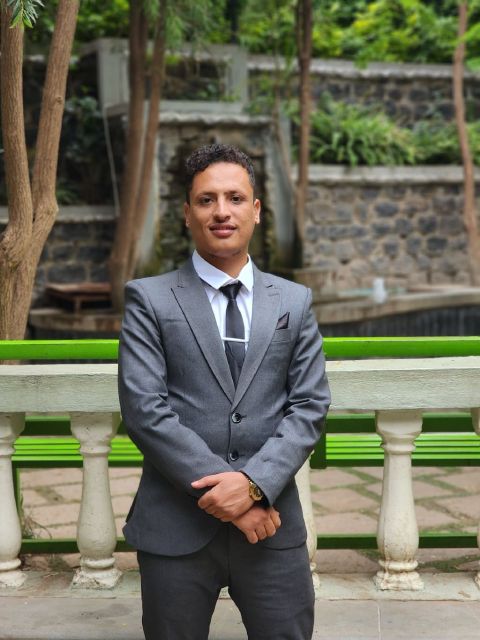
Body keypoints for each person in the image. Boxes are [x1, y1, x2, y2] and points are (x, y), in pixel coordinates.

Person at [118, 143, 331, 640]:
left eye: (234, 198)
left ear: (255, 210)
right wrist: (232, 496)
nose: (221, 211)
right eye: (206, 199)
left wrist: (253, 485)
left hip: (271, 525)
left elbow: (309, 406)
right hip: (176, 526)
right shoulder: (148, 299)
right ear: (187, 213)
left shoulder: (294, 302)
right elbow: (145, 410)